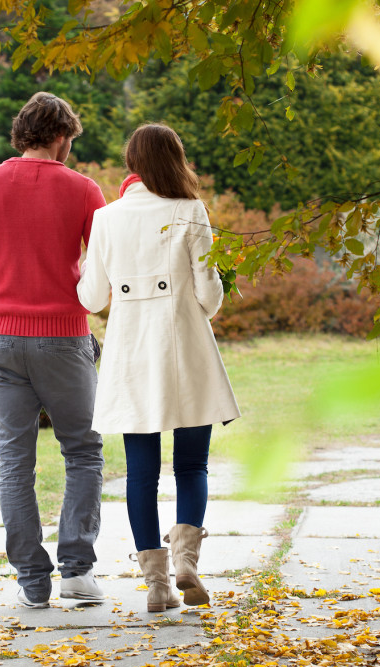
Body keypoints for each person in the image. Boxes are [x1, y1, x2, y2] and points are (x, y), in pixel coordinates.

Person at [0, 92, 107, 609]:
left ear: (22, 134)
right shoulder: (83, 190)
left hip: (3, 340)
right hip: (64, 337)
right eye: (70, 142)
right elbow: (103, 266)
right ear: (61, 137)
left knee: (14, 462)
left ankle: (31, 581)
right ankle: (77, 571)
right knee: (82, 450)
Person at [76, 123, 240, 612]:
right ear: (175, 159)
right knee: (192, 465)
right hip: (185, 348)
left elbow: (90, 298)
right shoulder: (191, 210)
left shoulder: (106, 218)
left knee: (140, 475)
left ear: (132, 163)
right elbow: (209, 296)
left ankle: (157, 585)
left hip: (132, 354)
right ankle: (187, 560)